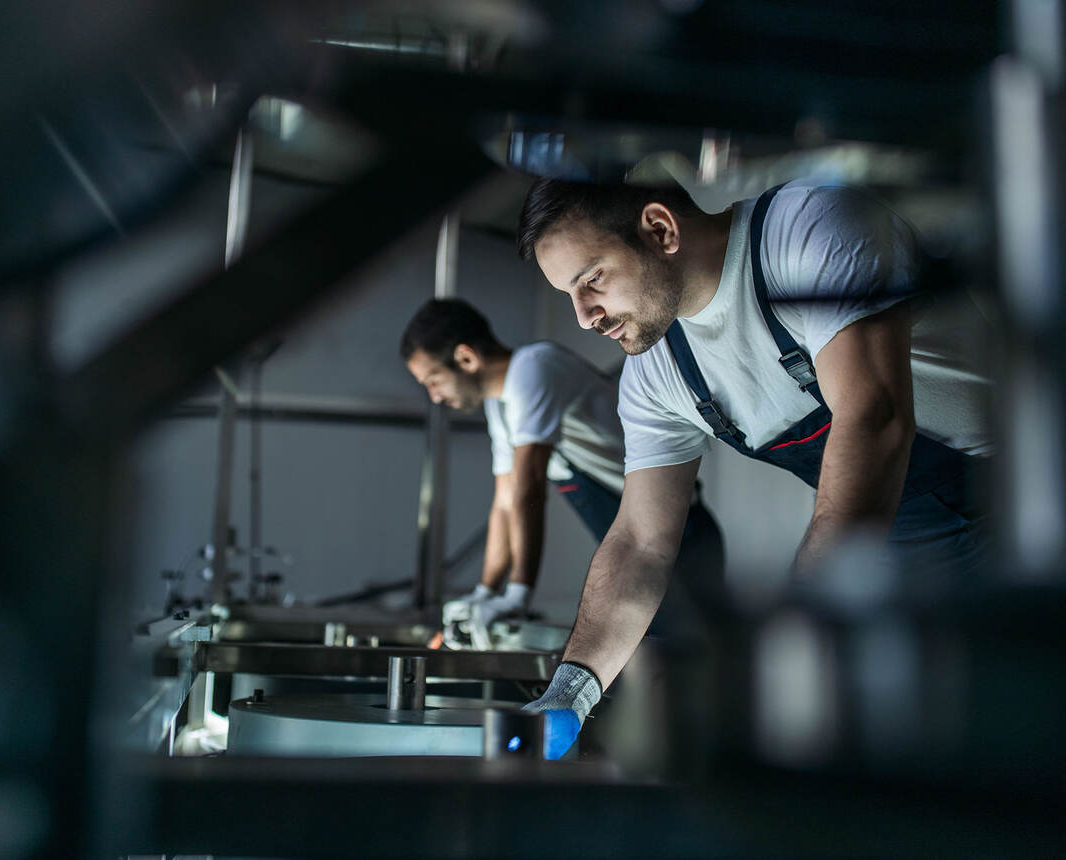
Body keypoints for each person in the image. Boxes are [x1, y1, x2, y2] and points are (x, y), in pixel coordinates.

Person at [516, 176, 993, 758]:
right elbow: (642, 541)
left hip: (1025, 497)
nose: (585, 315)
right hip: (907, 527)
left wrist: (792, 643)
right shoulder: (657, 373)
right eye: (570, 294)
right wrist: (572, 690)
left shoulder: (808, 228)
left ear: (661, 229)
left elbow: (875, 419)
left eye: (592, 280)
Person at [400, 298, 723, 650]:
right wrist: (486, 592)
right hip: (638, 543)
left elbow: (529, 487)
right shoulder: (499, 404)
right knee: (648, 657)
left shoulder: (534, 369)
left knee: (681, 658)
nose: (434, 397)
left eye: (434, 381)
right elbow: (505, 503)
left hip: (681, 536)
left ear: (465, 358)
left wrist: (518, 595)